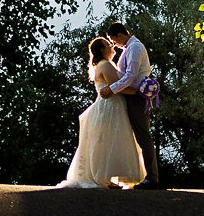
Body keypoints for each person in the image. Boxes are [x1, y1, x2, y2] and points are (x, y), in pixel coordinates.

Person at [57, 37, 146, 189]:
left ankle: (107, 177)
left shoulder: (104, 64)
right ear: (101, 50)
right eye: (107, 45)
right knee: (109, 141)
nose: (111, 46)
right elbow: (118, 87)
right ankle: (104, 177)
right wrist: (141, 92)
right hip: (110, 107)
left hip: (113, 106)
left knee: (109, 141)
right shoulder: (105, 65)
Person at [100, 22, 161, 189]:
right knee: (137, 136)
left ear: (120, 35)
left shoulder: (135, 48)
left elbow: (131, 76)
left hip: (137, 97)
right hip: (130, 96)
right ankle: (148, 176)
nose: (114, 44)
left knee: (143, 135)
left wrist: (111, 89)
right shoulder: (128, 49)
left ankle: (152, 178)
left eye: (113, 39)